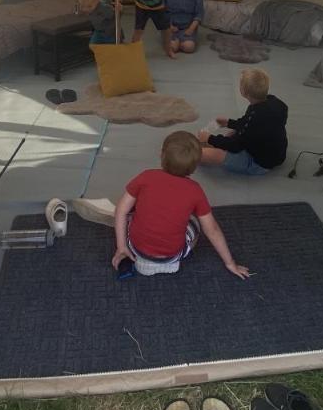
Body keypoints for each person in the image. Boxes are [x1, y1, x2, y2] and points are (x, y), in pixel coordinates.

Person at [110, 131, 249, 278]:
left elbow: (121, 210)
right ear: (195, 167)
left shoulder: (146, 176)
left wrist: (121, 247)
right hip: (172, 255)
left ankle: (143, 258)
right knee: (195, 220)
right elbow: (212, 230)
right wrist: (230, 263)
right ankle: (165, 263)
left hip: (134, 248)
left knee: (132, 210)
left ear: (161, 155)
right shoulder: (195, 190)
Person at [198, 68, 288, 176]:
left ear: (243, 92)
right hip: (277, 154)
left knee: (204, 154)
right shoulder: (275, 102)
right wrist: (229, 123)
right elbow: (249, 122)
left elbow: (235, 146)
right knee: (233, 133)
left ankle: (202, 146)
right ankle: (212, 141)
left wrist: (209, 138)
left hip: (259, 164)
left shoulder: (254, 118)